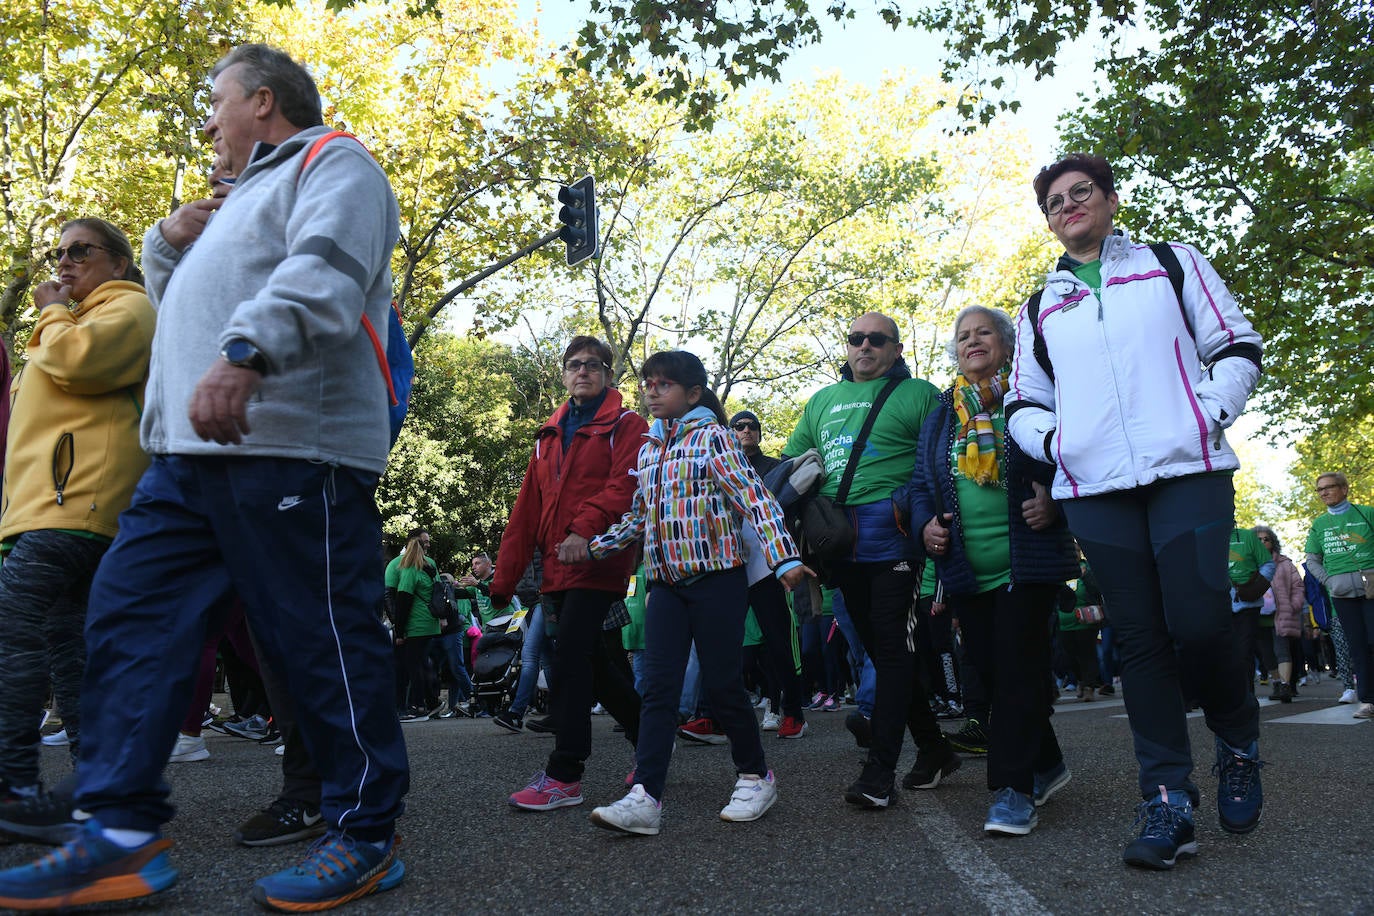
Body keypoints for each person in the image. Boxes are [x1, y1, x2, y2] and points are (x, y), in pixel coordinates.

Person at [0, 44, 408, 912]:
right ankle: (117, 836)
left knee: (321, 640)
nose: (209, 122)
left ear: (263, 103)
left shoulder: (336, 162)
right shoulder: (232, 203)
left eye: (216, 102)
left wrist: (247, 355)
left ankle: (365, 832)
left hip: (294, 450)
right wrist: (163, 241)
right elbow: (181, 311)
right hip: (187, 462)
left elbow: (324, 273)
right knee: (126, 619)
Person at [1007, 152, 1264, 869]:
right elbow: (1024, 403)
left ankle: (1238, 742)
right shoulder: (1039, 308)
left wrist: (1207, 410)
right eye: (1054, 202)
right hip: (1096, 492)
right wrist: (1058, 443)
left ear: (1111, 200)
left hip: (1188, 469)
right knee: (1142, 642)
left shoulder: (1171, 264)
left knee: (1201, 623)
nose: (1067, 207)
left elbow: (1237, 345)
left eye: (1079, 192)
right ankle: (1167, 802)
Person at [579, 350, 811, 836]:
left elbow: (755, 498)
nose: (651, 391)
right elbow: (639, 517)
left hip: (717, 581)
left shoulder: (714, 441)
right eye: (647, 383)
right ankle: (645, 796)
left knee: (724, 686)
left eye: (663, 384)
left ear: (693, 393)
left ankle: (755, 776)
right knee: (658, 691)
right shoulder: (648, 449)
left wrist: (784, 557)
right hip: (665, 585)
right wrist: (593, 547)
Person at [0, 218, 155, 830]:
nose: (64, 264)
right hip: (50, 507)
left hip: (78, 504)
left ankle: (12, 787)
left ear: (118, 263)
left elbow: (82, 363)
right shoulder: (76, 316)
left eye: (80, 252)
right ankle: (99, 791)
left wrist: (52, 313)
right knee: (69, 651)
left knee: (13, 628)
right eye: (58, 253)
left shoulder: (131, 309)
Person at [905, 305, 1079, 836]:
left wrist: (1055, 505)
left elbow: (1076, 461)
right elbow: (918, 487)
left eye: (984, 333)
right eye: (963, 336)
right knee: (997, 673)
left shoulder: (1033, 397)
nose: (972, 342)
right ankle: (1047, 764)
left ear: (1007, 345)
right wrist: (924, 528)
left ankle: (1012, 789)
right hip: (964, 572)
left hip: (1027, 566)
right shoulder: (941, 412)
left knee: (1017, 672)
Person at [783, 312, 959, 809]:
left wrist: (926, 518)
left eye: (876, 340)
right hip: (838, 547)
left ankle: (879, 770)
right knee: (885, 653)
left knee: (893, 647)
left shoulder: (921, 394)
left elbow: (938, 464)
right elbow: (794, 466)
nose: (864, 346)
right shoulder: (820, 401)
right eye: (856, 338)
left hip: (897, 542)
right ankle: (935, 749)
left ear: (895, 349)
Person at [494, 336, 647, 809]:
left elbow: (625, 486)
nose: (583, 372)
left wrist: (584, 531)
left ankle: (565, 774)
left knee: (569, 659)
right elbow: (527, 510)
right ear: (563, 374)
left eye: (593, 365)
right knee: (597, 667)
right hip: (555, 567)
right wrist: (504, 577)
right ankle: (652, 740)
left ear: (607, 374)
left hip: (599, 558)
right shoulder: (548, 435)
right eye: (574, 365)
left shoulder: (628, 425)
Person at [1303, 472, 1374, 719]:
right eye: (1319, 489)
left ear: (1344, 488)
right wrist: (1329, 580)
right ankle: (1368, 701)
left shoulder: (1367, 513)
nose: (1323, 492)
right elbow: (1311, 560)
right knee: (1358, 646)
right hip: (1341, 593)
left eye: (1329, 487)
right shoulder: (1319, 524)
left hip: (1371, 587)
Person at [393, 535, 443, 721]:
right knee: (422, 663)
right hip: (430, 622)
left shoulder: (409, 570)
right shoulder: (429, 569)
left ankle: (418, 706)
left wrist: (399, 631)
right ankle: (432, 702)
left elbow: (403, 601)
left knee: (413, 665)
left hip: (416, 624)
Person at [1254, 526, 1304, 702]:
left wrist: (1293, 605)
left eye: (1266, 539)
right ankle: (1276, 682)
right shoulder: (1248, 563)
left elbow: (1298, 586)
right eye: (1258, 539)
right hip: (1257, 616)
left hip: (1281, 614)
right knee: (1266, 654)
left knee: (1282, 650)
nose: (1262, 542)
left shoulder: (1284, 563)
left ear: (1272, 542)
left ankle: (1285, 686)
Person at [1228, 525, 1275, 692]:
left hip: (1247, 605)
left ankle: (1246, 698)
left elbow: (1269, 564)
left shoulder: (1248, 536)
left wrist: (1257, 587)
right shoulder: (1203, 536)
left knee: (1244, 652)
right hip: (1215, 605)